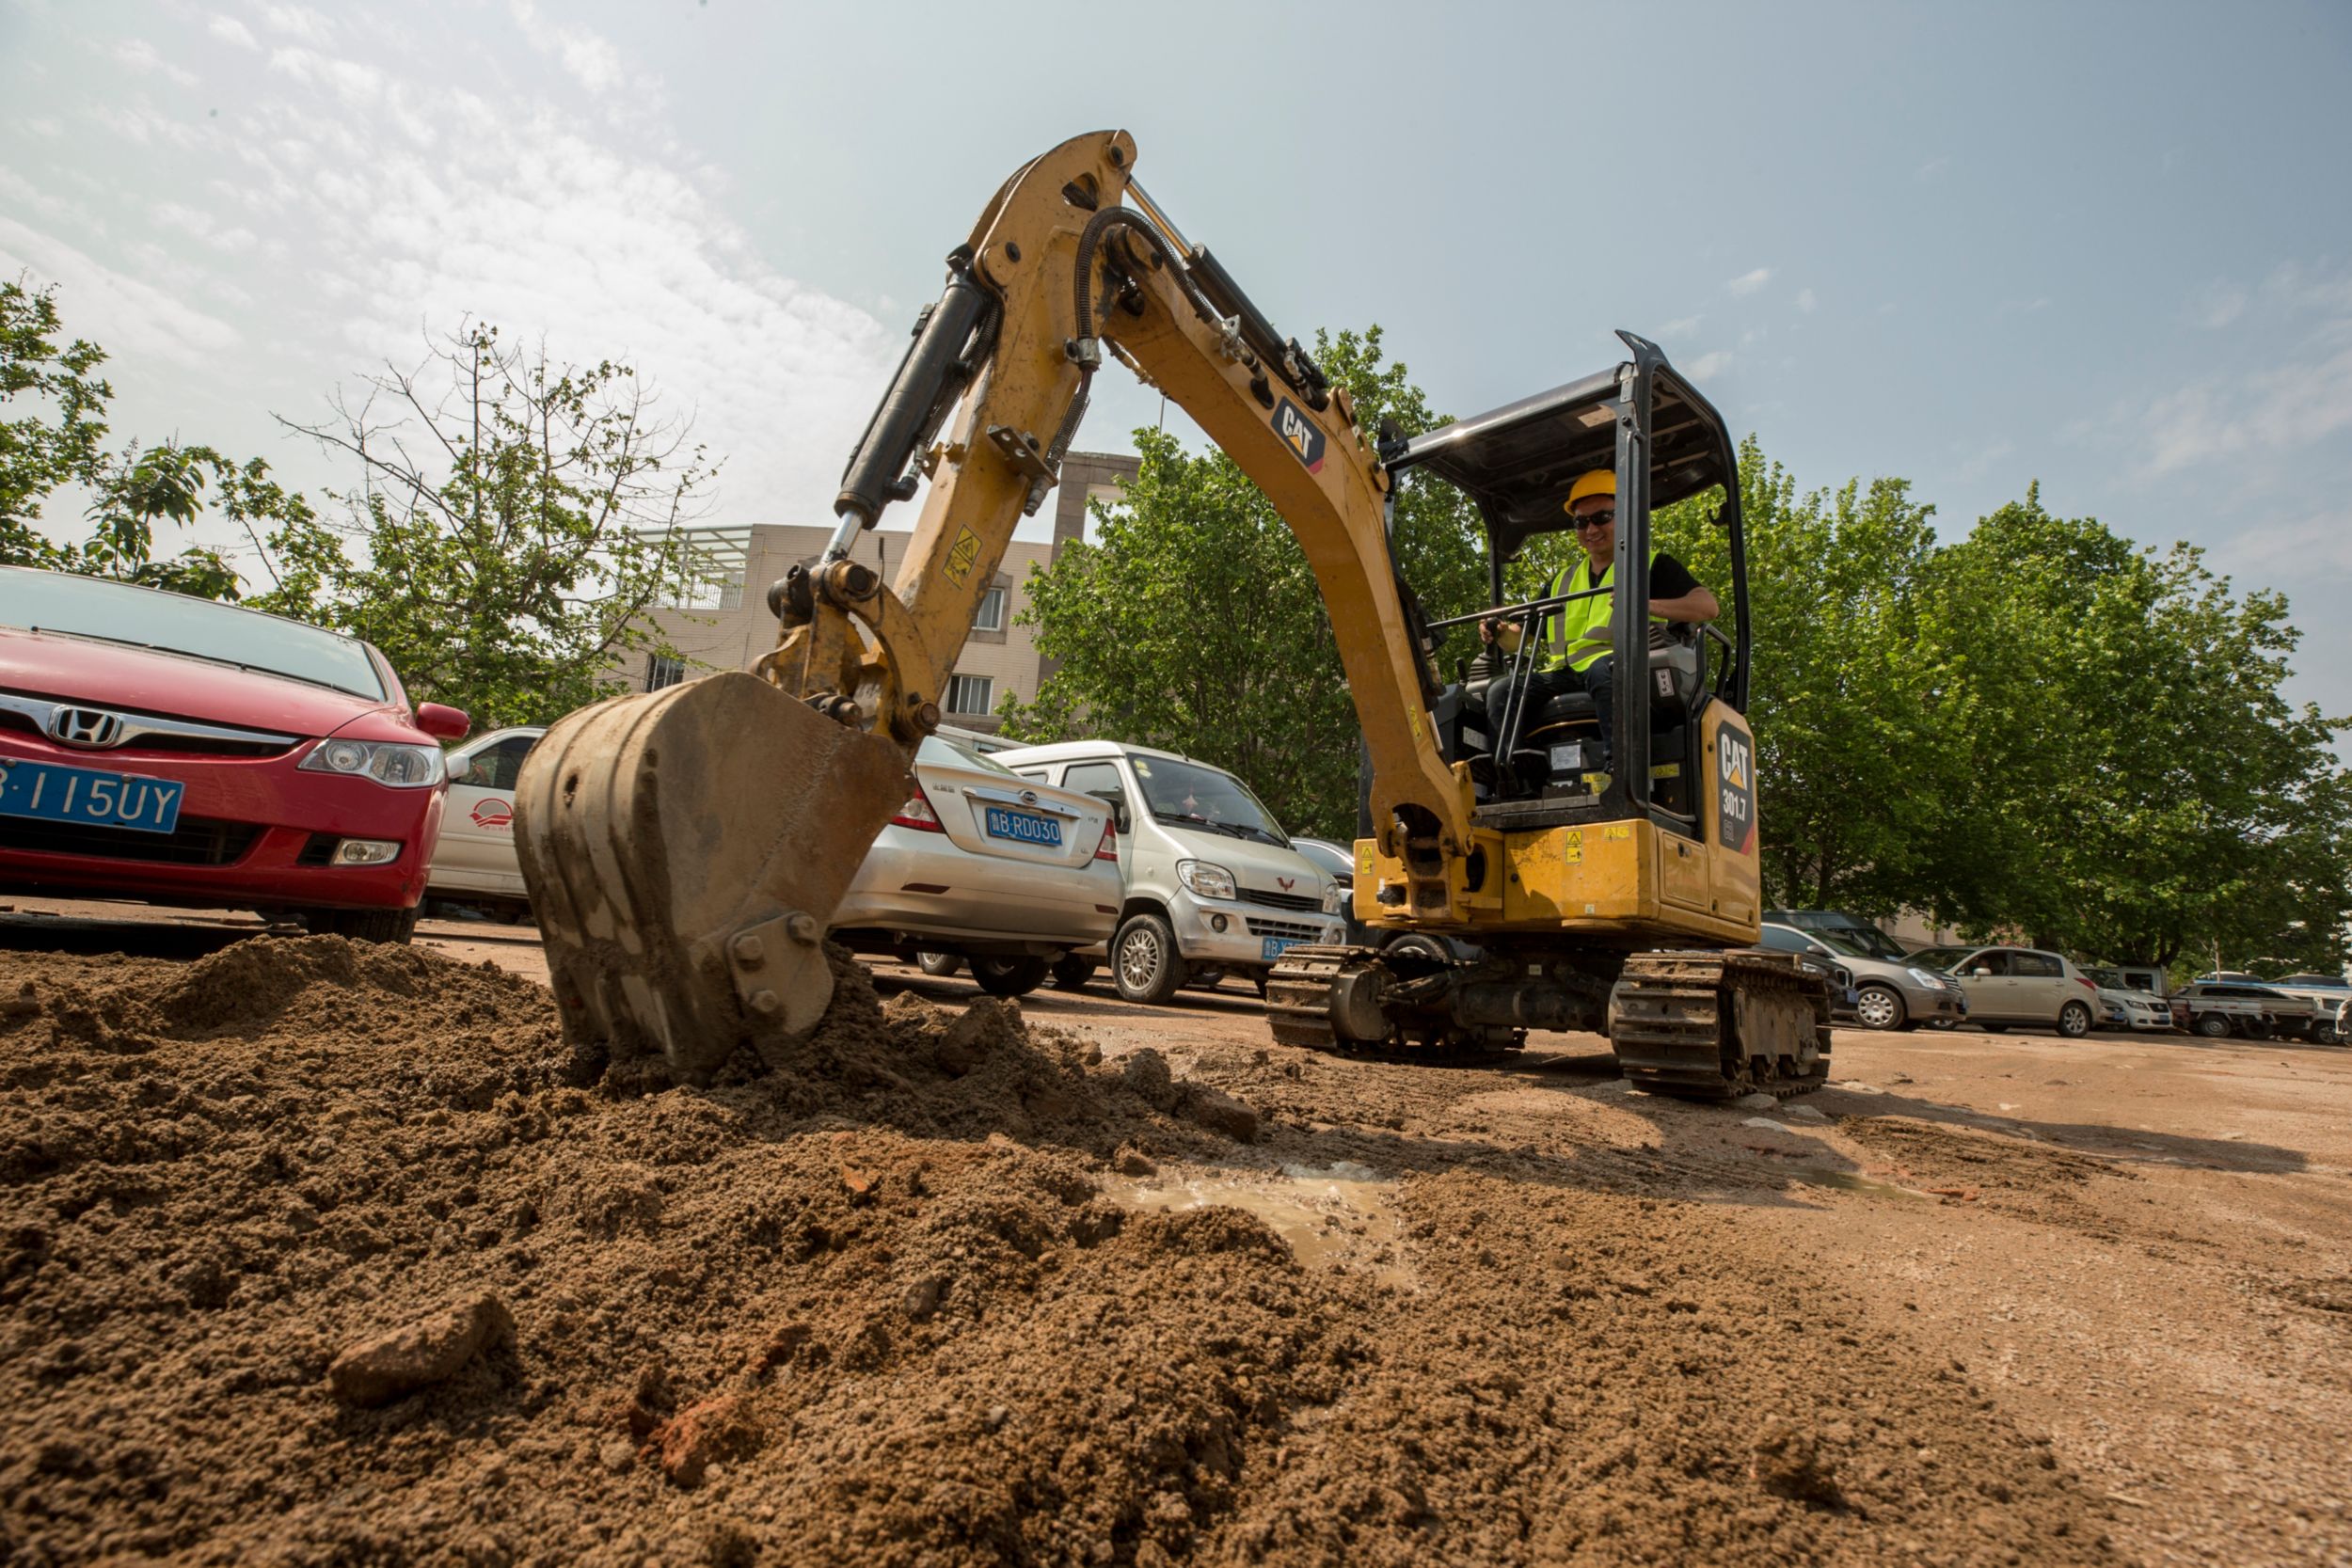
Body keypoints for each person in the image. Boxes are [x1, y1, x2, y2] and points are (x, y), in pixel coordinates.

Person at [1479, 469, 1720, 781]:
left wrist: (1645, 604)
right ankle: (1514, 778)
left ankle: (1623, 773)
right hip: (1565, 673)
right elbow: (1519, 639)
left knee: (1602, 672)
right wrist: (1499, 631)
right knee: (1502, 690)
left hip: (1626, 667)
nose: (1591, 529)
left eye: (1601, 518)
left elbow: (1707, 606)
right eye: (1581, 522)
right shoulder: (1562, 581)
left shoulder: (1651, 565)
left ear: (1625, 516)